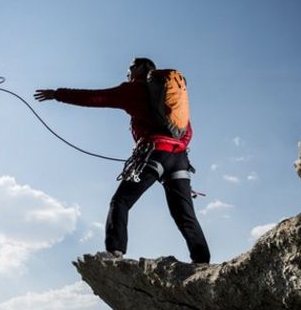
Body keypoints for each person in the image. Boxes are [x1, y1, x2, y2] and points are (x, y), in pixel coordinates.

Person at [35, 57, 211, 263]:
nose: (127, 73)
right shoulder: (172, 102)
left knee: (121, 201)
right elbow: (187, 132)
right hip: (179, 159)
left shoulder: (134, 90)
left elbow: (96, 98)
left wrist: (57, 94)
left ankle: (114, 251)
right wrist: (174, 152)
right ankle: (201, 261)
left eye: (130, 68)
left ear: (142, 68)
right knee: (184, 215)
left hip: (153, 153)